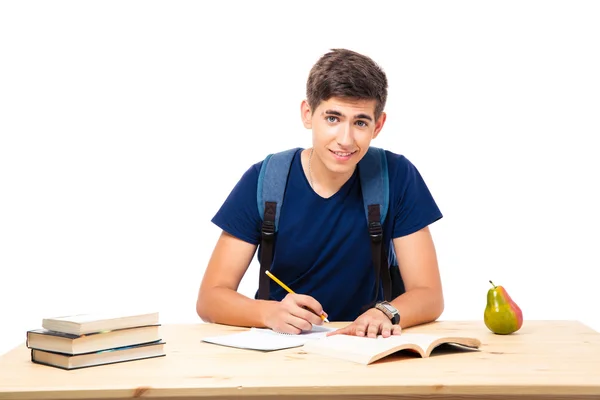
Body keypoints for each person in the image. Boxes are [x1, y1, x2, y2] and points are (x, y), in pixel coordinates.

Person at [196, 48, 444, 338]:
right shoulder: (265, 179)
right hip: (281, 347)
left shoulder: (397, 175)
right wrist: (267, 312)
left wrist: (385, 312)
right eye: (332, 118)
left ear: (378, 126)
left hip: (366, 345)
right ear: (307, 114)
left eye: (360, 122)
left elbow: (429, 295)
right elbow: (210, 298)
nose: (345, 139)